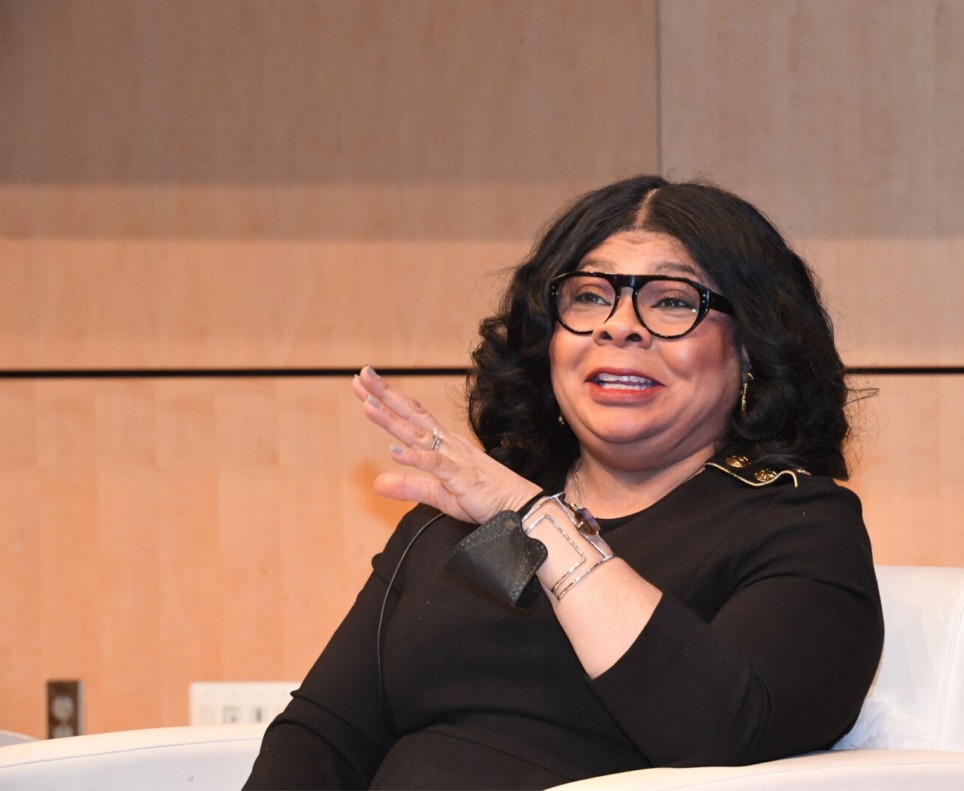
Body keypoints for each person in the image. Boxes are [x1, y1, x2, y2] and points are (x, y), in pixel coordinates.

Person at [244, 176, 884, 790]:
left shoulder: (797, 525)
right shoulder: (470, 516)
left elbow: (722, 733)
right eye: (588, 297)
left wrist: (536, 517)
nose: (619, 326)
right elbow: (327, 735)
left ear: (749, 349)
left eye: (671, 302)